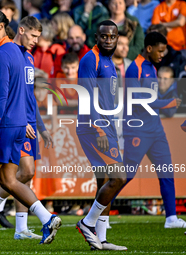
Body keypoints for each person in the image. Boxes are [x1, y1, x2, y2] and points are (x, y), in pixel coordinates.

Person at [0, 10, 61, 245]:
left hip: (4, 125)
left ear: (2, 27)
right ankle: (46, 217)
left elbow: (0, 97)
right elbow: (13, 95)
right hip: (19, 124)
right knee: (9, 180)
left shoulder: (0, 54)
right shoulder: (20, 55)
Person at [0, 16, 54, 240]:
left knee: (25, 176)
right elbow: (6, 94)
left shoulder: (28, 58)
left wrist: (41, 127)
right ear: (21, 30)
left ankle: (20, 228)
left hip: (27, 121)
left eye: (39, 37)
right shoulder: (9, 53)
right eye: (33, 36)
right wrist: (23, 121)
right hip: (15, 123)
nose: (36, 41)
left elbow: (28, 96)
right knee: (24, 172)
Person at [122, 32, 185, 228]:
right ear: (149, 48)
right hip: (138, 130)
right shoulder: (135, 68)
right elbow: (140, 99)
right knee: (126, 175)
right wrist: (169, 103)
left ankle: (171, 218)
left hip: (156, 130)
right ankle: (99, 213)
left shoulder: (151, 67)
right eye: (160, 50)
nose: (162, 54)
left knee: (166, 170)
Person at [75, 20, 127, 251]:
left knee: (105, 181)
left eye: (112, 37)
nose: (108, 40)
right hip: (93, 128)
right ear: (96, 37)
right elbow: (85, 96)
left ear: (117, 38)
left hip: (107, 127)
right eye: (104, 36)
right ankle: (87, 223)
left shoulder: (109, 62)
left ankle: (102, 239)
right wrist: (99, 129)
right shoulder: (90, 59)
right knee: (119, 178)